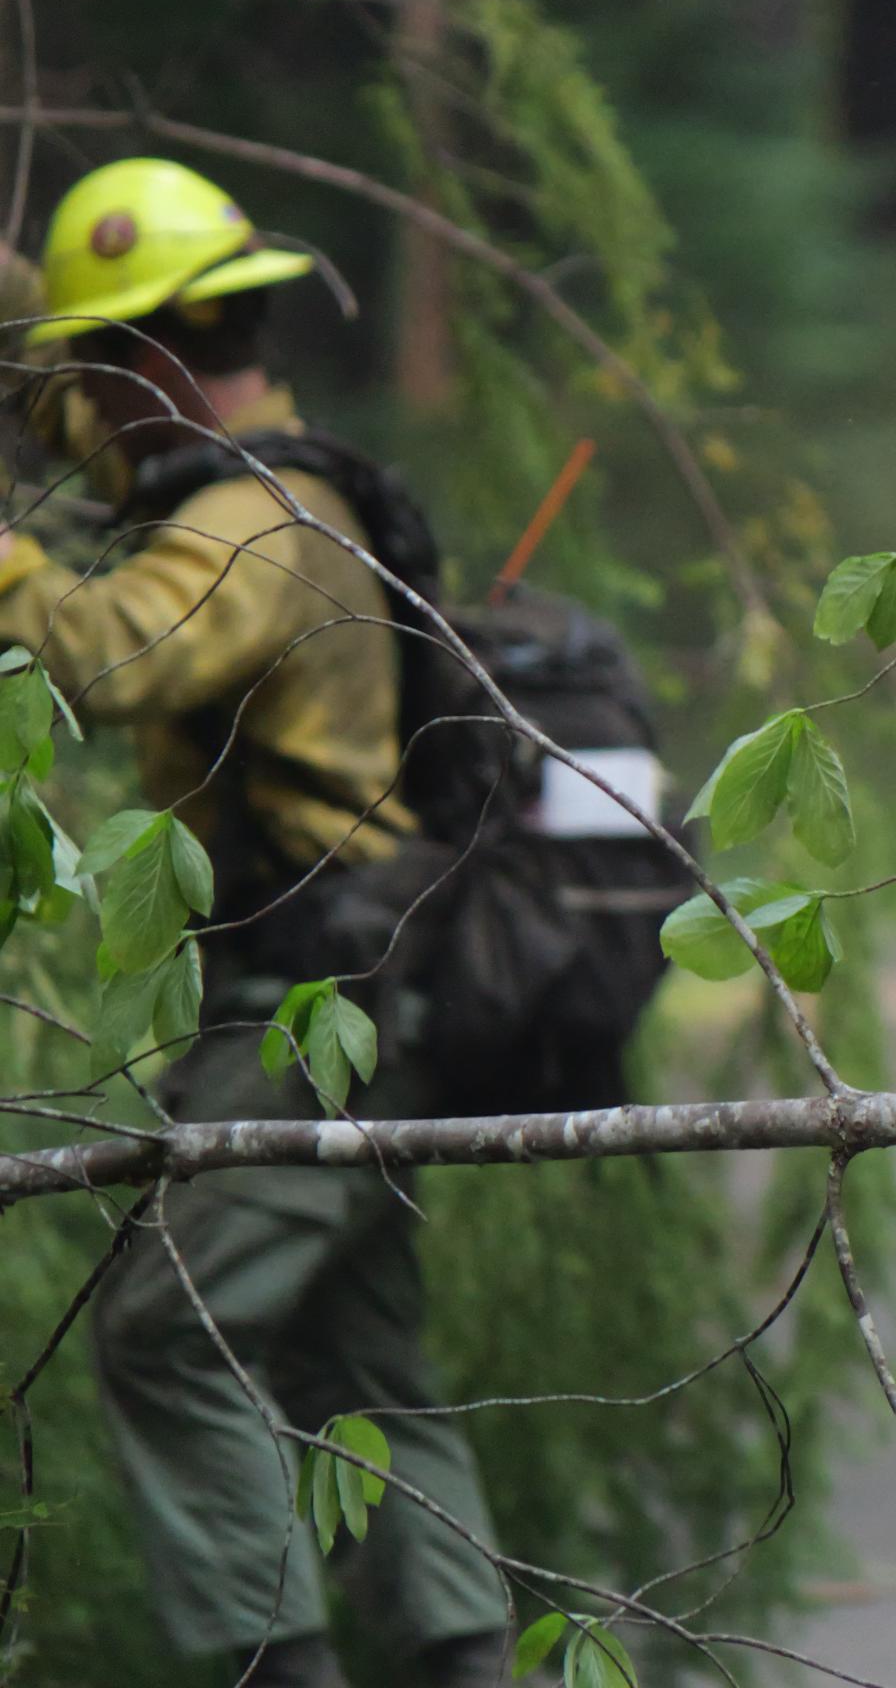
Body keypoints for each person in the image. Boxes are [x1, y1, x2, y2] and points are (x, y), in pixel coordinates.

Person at [4, 159, 510, 1686]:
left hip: (310, 1002)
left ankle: (264, 1668)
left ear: (155, 360)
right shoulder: (270, 476)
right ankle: (459, 1661)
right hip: (368, 993)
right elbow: (71, 427)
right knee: (363, 1363)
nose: (76, 411)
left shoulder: (247, 517)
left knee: (172, 1331)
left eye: (98, 371)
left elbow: (101, 658)